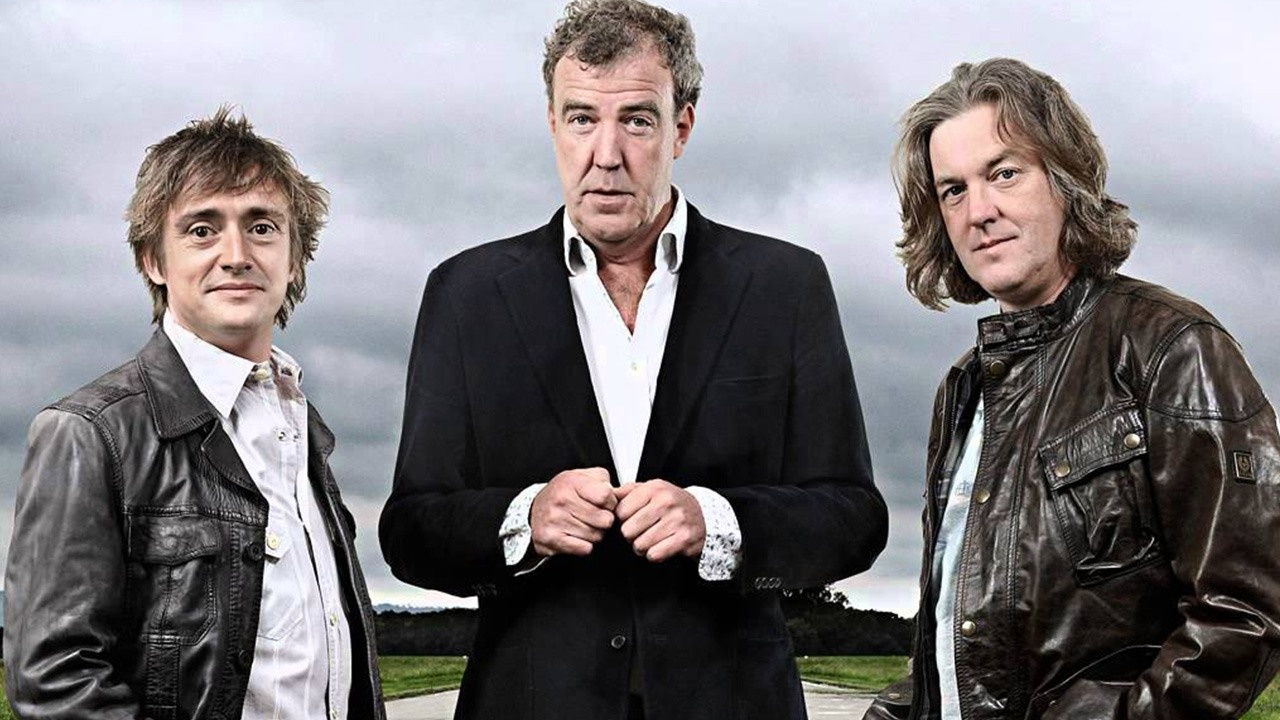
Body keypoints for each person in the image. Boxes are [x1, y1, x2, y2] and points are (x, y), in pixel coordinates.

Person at [378, 1, 888, 718]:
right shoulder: (465, 295)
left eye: (637, 120)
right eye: (582, 118)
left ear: (682, 127)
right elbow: (409, 529)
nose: (606, 153)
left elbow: (854, 516)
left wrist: (719, 521)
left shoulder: (786, 285)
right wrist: (525, 517)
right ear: (552, 123)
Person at [864, 58, 1280, 720]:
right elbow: (958, 633)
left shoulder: (1171, 347)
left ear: (1065, 179)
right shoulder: (963, 388)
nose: (980, 212)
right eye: (953, 190)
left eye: (1004, 173)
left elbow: (1248, 606)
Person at [3, 109, 384, 720]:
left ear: (294, 257)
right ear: (153, 260)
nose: (236, 255)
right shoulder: (88, 433)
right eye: (202, 230)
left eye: (262, 227)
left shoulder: (303, 426)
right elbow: (54, 683)